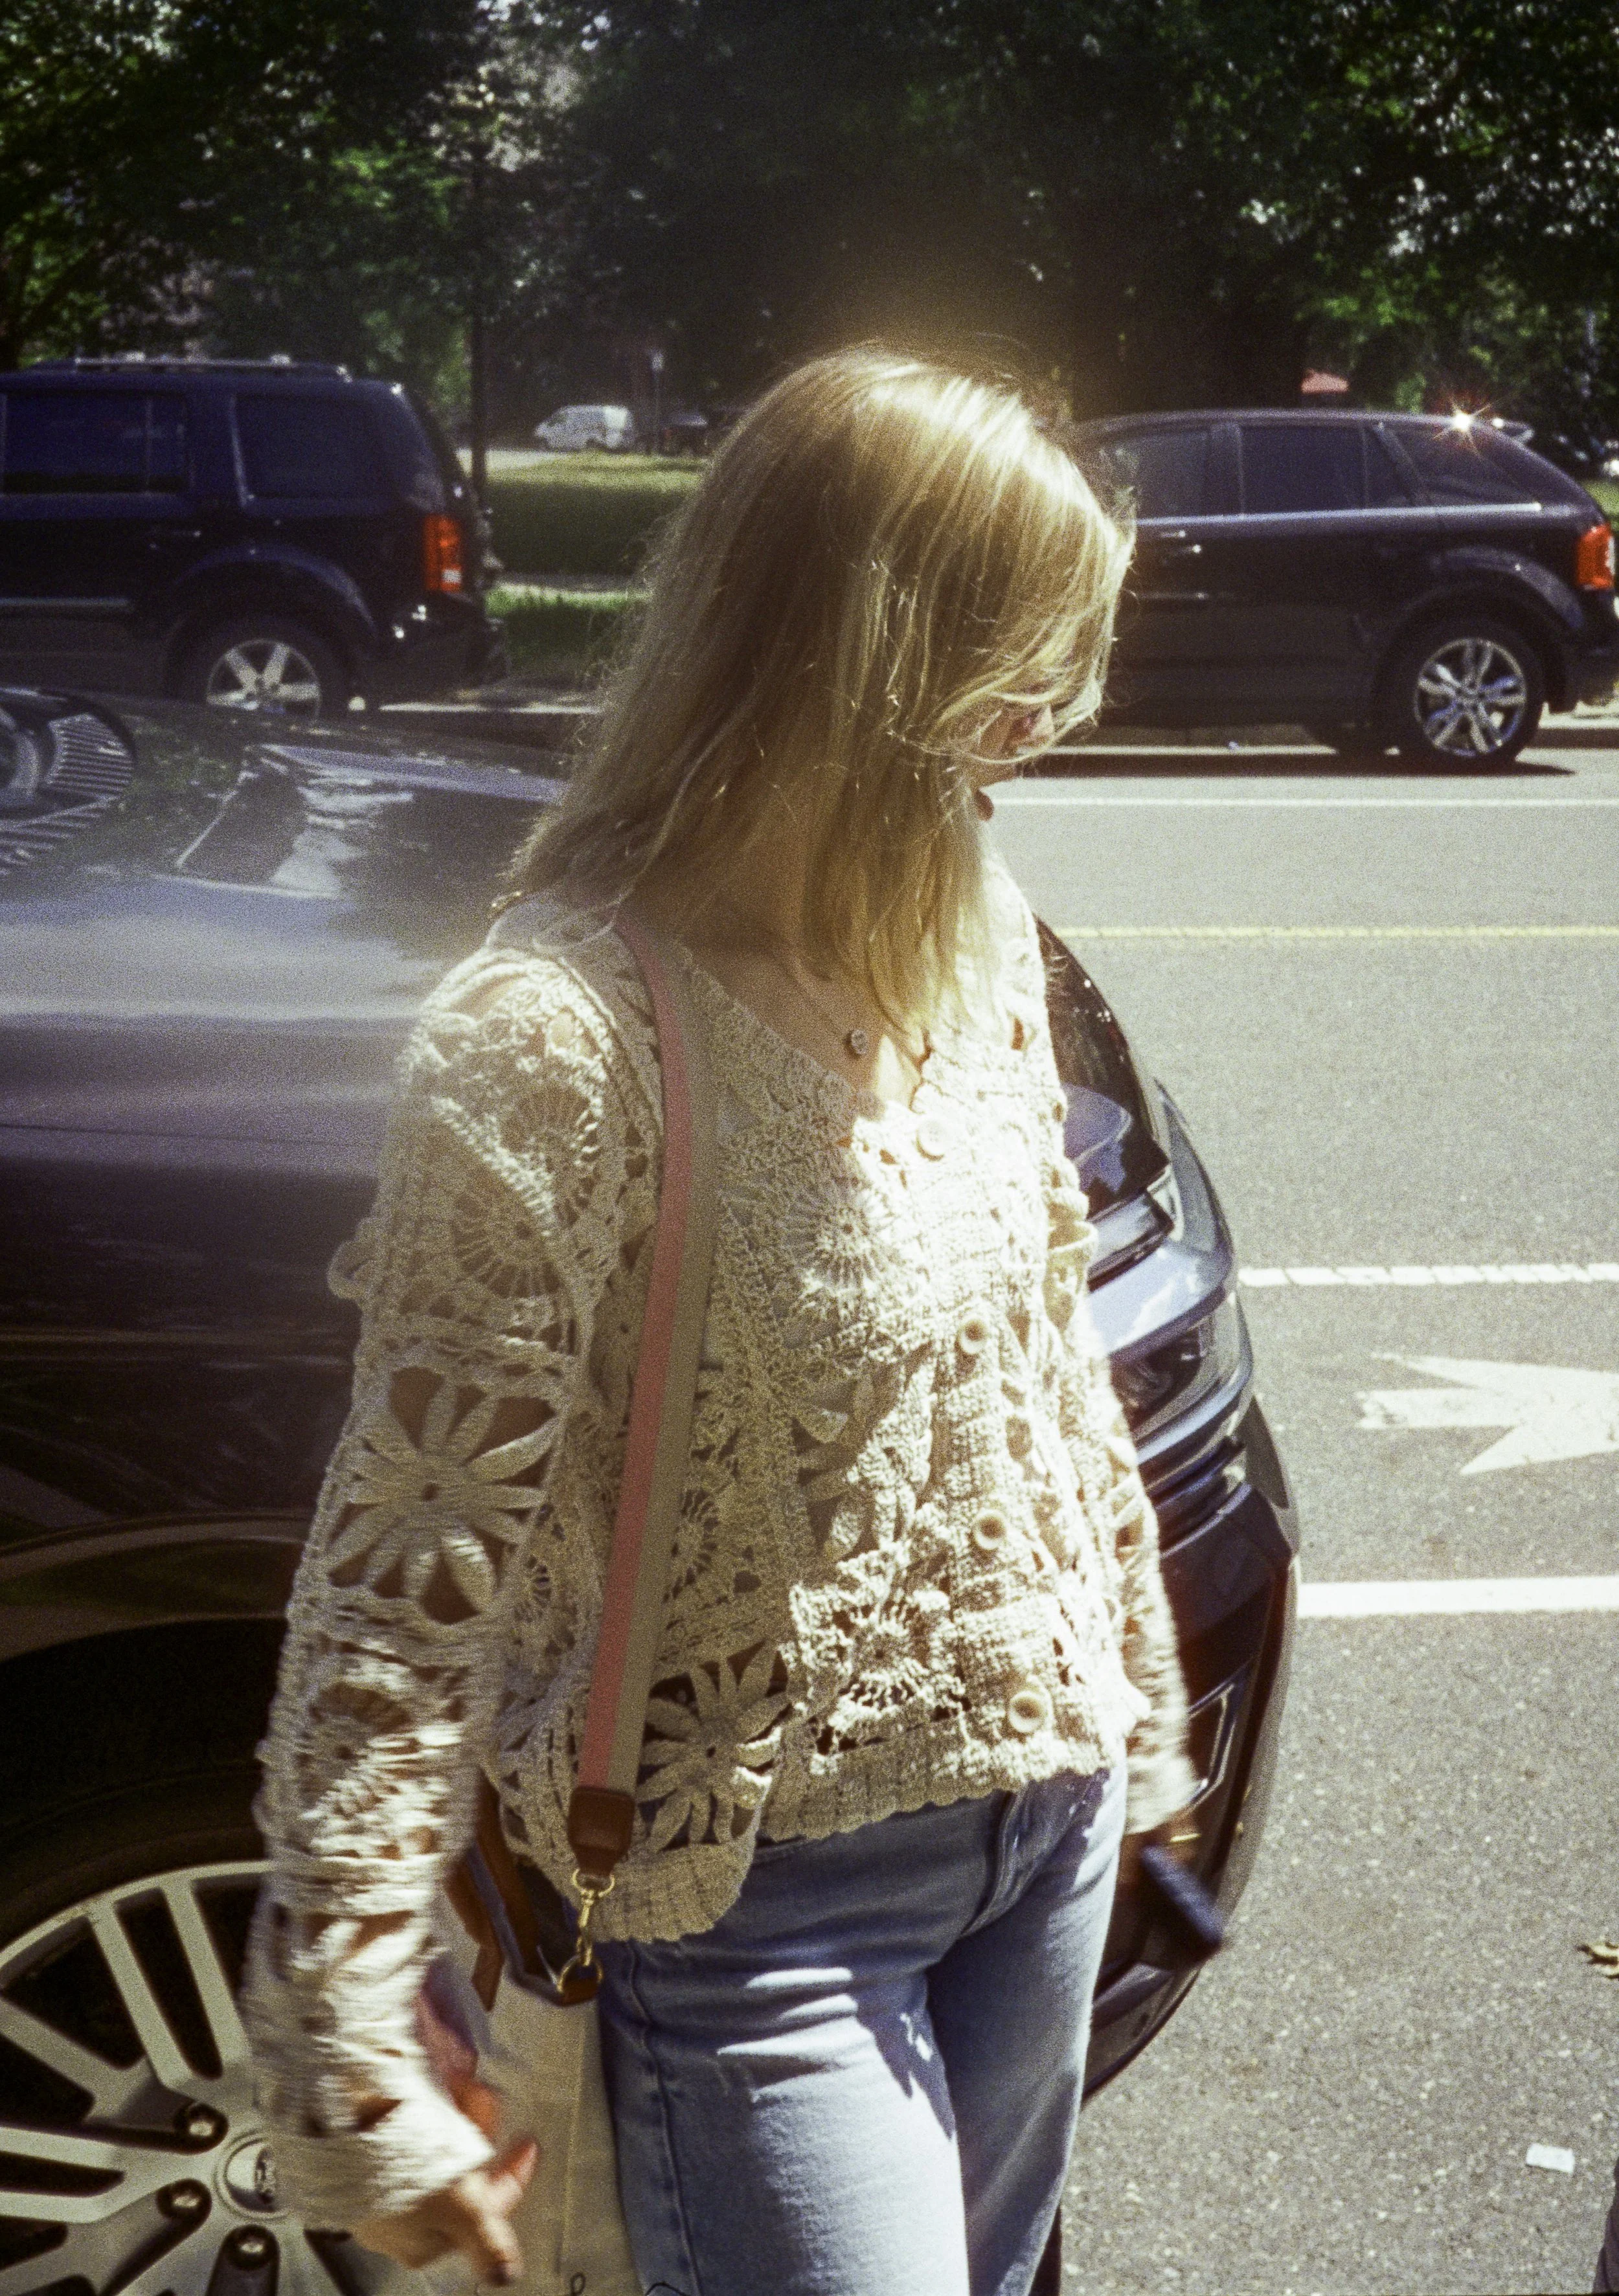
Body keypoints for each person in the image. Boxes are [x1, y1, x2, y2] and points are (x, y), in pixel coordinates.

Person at [243, 348, 1199, 2296]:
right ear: (865, 656)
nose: (1059, 718)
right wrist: (340, 2008)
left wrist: (1135, 1700)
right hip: (754, 1904)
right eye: (1024, 666)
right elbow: (410, 1558)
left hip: (1044, 1825)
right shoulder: (554, 1040)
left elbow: (1037, 1372)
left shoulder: (969, 919)